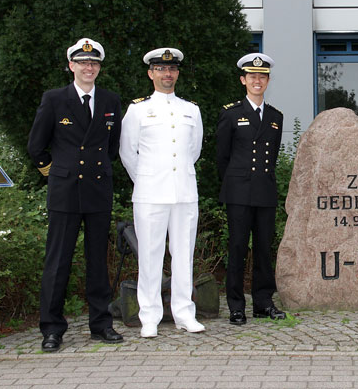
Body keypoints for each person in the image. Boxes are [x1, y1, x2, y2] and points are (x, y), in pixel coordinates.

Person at [28, 38, 124, 352]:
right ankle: (52, 329)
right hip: (65, 192)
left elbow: (111, 148)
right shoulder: (55, 99)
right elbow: (36, 147)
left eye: (94, 63)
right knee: (58, 262)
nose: (88, 68)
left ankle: (101, 324)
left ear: (99, 68)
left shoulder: (110, 101)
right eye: (82, 63)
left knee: (98, 261)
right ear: (71, 66)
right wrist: (58, 174)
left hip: (97, 190)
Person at [119, 48, 205, 338]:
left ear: (177, 73)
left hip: (183, 191)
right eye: (160, 69)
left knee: (184, 255)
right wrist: (146, 179)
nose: (167, 74)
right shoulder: (138, 109)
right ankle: (150, 317)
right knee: (150, 255)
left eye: (172, 69)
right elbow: (128, 152)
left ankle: (184, 313)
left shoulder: (191, 109)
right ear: (151, 73)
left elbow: (193, 151)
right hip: (150, 193)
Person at [217, 53, 286, 325]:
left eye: (262, 76)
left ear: (268, 81)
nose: (257, 81)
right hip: (238, 191)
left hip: (264, 191)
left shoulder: (275, 116)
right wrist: (234, 182)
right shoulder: (231, 113)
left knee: (263, 249)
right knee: (236, 248)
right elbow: (222, 157)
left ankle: (263, 302)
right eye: (252, 76)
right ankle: (236, 306)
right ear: (243, 80)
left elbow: (274, 155)